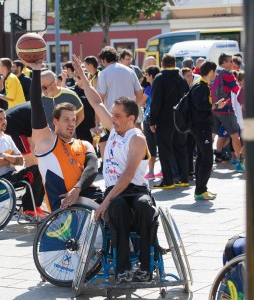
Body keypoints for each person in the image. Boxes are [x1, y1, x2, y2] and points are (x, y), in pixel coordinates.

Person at [72, 54, 158, 284]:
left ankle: (146, 266)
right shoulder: (114, 127)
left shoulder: (136, 138)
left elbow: (129, 175)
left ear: (131, 118)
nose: (112, 119)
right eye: (113, 114)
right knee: (117, 207)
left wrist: (105, 200)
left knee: (142, 207)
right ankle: (122, 268)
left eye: (118, 116)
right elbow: (95, 102)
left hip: (135, 189)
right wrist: (82, 75)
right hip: (115, 191)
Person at [27, 61, 100, 212]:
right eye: (66, 120)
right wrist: (35, 69)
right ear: (55, 122)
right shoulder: (48, 142)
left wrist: (78, 188)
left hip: (90, 198)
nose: (71, 124)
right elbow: (35, 103)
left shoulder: (84, 144)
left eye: (73, 120)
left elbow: (92, 167)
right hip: (66, 210)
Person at [0, 108, 45, 218]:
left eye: (5, 118)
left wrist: (6, 156)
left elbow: (20, 160)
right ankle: (28, 208)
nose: (4, 121)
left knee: (40, 168)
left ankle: (35, 205)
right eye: (0, 119)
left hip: (12, 175)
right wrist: (11, 159)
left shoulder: (7, 138)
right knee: (35, 170)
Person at [97, 46, 143, 171]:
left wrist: (97, 121)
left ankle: (118, 172)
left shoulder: (104, 73)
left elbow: (99, 99)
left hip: (114, 116)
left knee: (115, 145)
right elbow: (139, 94)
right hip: (131, 115)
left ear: (105, 59)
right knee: (131, 144)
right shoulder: (130, 71)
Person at [149, 53, 190, 188]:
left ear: (162, 64)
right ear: (175, 64)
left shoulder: (159, 78)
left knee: (165, 150)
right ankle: (184, 179)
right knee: (181, 148)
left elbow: (156, 101)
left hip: (164, 119)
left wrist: (152, 120)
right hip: (180, 120)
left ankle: (168, 181)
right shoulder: (182, 79)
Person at [190, 61, 228, 200]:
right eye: (215, 72)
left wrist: (215, 105)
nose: (216, 75)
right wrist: (216, 105)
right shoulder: (202, 87)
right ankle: (200, 191)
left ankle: (201, 190)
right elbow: (201, 107)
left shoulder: (201, 85)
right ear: (211, 72)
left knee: (202, 157)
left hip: (201, 127)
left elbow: (202, 106)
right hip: (201, 127)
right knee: (207, 159)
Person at [212, 53, 243, 172]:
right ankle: (240, 163)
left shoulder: (213, 72)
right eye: (230, 61)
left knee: (211, 136)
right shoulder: (227, 74)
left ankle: (206, 161)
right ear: (224, 62)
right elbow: (237, 91)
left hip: (213, 109)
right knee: (235, 136)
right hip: (226, 110)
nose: (232, 63)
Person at [141, 65, 163, 180]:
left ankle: (151, 172)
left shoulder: (149, 88)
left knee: (151, 147)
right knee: (162, 146)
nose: (146, 77)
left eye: (147, 75)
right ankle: (163, 170)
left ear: (150, 75)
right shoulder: (162, 87)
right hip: (161, 119)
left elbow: (142, 102)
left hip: (149, 119)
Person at [4, 102, 37, 167]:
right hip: (12, 125)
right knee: (30, 160)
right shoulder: (45, 109)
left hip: (4, 120)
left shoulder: (36, 103)